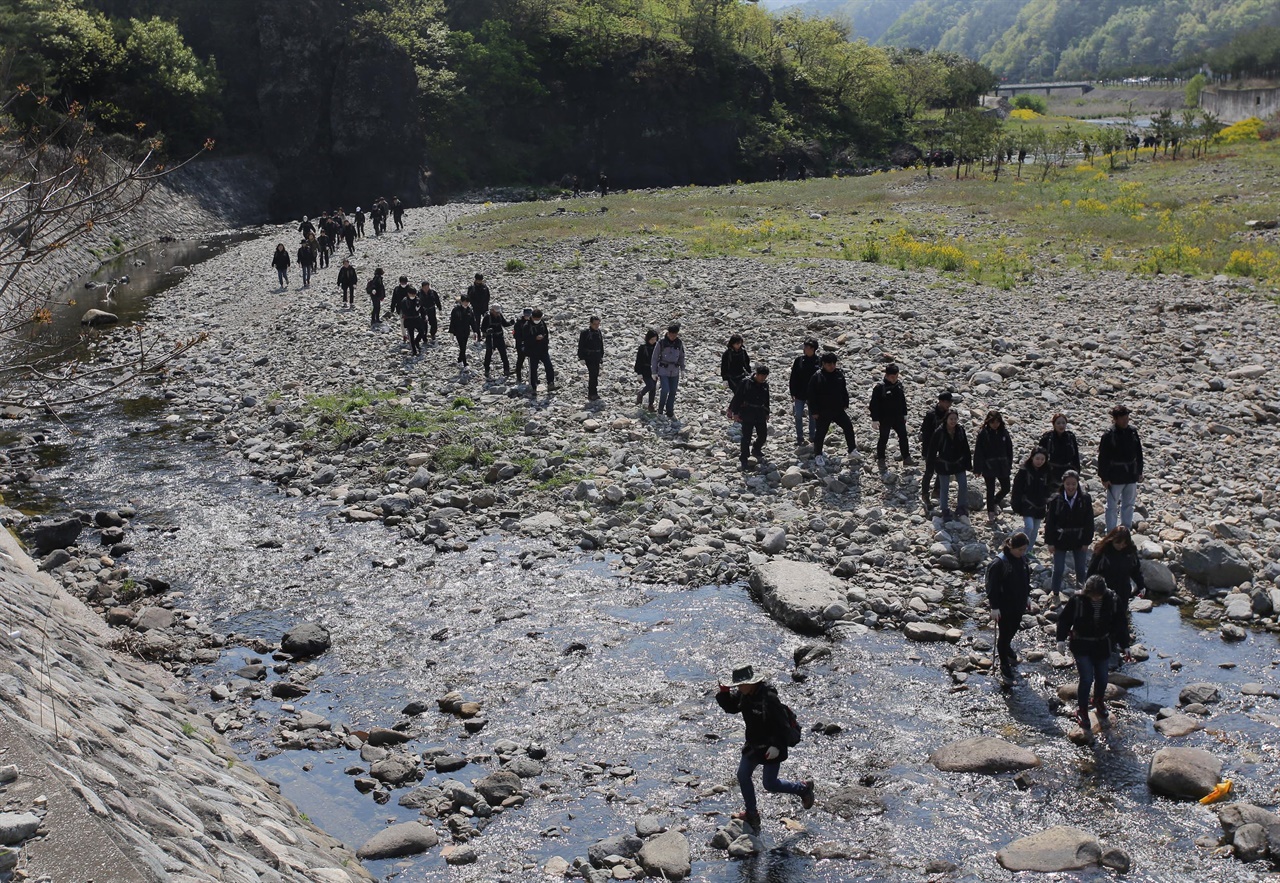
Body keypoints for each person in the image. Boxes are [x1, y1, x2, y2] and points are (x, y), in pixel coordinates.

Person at [715, 663, 814, 834]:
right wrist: (724, 693)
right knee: (742, 775)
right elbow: (732, 708)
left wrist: (777, 746)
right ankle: (752, 813)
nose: (738, 687)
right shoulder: (745, 694)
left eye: (740, 684)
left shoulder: (769, 698)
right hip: (753, 744)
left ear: (752, 682)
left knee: (770, 784)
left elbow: (782, 725)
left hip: (771, 746)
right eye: (736, 685)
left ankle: (803, 788)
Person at [1056, 575, 1128, 735]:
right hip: (1081, 644)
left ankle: (1098, 701)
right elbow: (1065, 620)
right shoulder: (1078, 599)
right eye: (1092, 594)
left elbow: (1121, 623)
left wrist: (1125, 645)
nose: (1094, 597)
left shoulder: (1113, 599)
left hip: (1102, 644)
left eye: (1098, 595)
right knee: (1087, 678)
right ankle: (1082, 710)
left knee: (1102, 677)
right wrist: (1060, 639)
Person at [1087, 526, 1146, 655]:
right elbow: (1091, 572)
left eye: (1124, 543)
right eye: (1118, 543)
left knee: (1120, 617)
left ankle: (1114, 643)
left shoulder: (1130, 552)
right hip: (1105, 591)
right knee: (1103, 616)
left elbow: (1136, 571)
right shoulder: (1102, 551)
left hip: (1123, 590)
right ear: (1111, 540)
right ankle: (1101, 642)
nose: (1120, 546)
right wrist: (1089, 590)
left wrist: (1141, 585)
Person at [986, 532, 1032, 681]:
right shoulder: (999, 563)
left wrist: (1028, 597)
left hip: (1018, 603)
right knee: (1004, 634)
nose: (1022, 553)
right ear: (1011, 546)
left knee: (1013, 629)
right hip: (1003, 606)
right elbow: (991, 586)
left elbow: (1026, 579)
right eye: (1020, 549)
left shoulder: (1023, 560)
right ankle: (1004, 663)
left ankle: (1007, 648)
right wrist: (994, 606)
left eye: (1024, 549)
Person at [1045, 470, 1094, 605]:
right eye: (1068, 484)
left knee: (1080, 568)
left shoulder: (1085, 498)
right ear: (1063, 483)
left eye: (1073, 484)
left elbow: (1089, 522)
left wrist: (1087, 541)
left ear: (1078, 483)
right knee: (1059, 568)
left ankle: (1082, 591)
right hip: (1060, 538)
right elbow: (1050, 522)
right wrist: (1049, 542)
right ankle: (1055, 593)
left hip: (1079, 538)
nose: (1071, 487)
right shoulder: (1056, 499)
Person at [1097, 405, 1143, 531]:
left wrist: (1139, 471)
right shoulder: (1109, 434)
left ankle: (1125, 530)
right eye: (1122, 418)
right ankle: (1111, 531)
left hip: (1131, 474)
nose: (1126, 420)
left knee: (1129, 504)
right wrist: (1104, 477)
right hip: (1115, 475)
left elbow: (1139, 453)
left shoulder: (1132, 432)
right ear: (1116, 419)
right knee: (1112, 506)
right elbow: (1103, 457)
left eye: (1127, 417)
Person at [807, 352, 857, 468]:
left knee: (848, 427)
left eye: (834, 363)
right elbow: (811, 396)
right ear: (823, 364)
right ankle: (818, 455)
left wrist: (845, 403)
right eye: (829, 364)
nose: (832, 366)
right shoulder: (817, 377)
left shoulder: (839, 374)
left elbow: (843, 390)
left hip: (838, 410)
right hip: (823, 411)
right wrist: (814, 411)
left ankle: (852, 450)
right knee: (820, 433)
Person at [974, 410, 1014, 524]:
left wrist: (1009, 463)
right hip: (989, 465)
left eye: (997, 422)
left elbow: (1009, 449)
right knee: (990, 489)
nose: (995, 424)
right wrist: (977, 469)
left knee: (1006, 488)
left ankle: (996, 501)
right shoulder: (983, 433)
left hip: (1002, 465)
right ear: (988, 422)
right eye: (992, 422)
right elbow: (979, 452)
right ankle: (990, 511)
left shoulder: (1004, 433)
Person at [930, 410, 971, 521]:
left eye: (955, 419)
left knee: (963, 485)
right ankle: (944, 510)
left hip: (958, 462)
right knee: (944, 488)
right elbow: (933, 449)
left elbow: (965, 447)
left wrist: (968, 463)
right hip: (944, 464)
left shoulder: (960, 430)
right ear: (946, 419)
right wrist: (931, 464)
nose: (953, 421)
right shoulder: (939, 432)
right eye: (951, 419)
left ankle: (961, 507)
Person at [869, 363, 912, 469]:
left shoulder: (898, 385)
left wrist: (905, 414)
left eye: (896, 376)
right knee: (883, 438)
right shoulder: (879, 388)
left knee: (903, 436)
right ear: (886, 375)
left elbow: (902, 401)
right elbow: (873, 404)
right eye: (892, 377)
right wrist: (875, 419)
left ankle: (906, 457)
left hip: (898, 417)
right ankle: (881, 459)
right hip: (885, 418)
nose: (894, 379)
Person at [1011, 448, 1052, 553]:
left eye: (1042, 459)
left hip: (1040, 505)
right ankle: (1020, 547)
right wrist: (1016, 503)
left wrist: (1049, 502)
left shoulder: (1047, 472)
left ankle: (1028, 551)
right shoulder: (1024, 471)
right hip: (1027, 503)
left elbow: (1049, 489)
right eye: (1037, 458)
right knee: (1029, 526)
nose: (1040, 461)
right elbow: (1017, 488)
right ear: (1032, 457)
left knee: (1035, 530)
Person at [731, 364, 771, 471]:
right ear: (756, 374)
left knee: (763, 435)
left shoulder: (765, 385)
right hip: (748, 411)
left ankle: (756, 449)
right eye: (761, 376)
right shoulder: (746, 383)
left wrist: (767, 412)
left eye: (764, 376)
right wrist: (735, 412)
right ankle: (744, 458)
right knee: (746, 437)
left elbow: (767, 399)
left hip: (760, 412)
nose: (762, 378)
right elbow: (738, 397)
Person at [919, 392, 953, 514]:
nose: (949, 404)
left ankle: (937, 490)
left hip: (944, 448)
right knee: (929, 472)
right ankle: (925, 494)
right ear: (941, 401)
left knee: (942, 470)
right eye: (947, 402)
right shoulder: (931, 415)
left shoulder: (949, 414)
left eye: (950, 402)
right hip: (931, 448)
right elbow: (925, 433)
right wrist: (927, 450)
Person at [788, 339, 821, 447]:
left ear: (813, 349)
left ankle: (812, 436)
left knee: (813, 416)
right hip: (799, 393)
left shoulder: (819, 361)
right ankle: (800, 437)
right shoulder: (799, 360)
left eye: (806, 347)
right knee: (798, 415)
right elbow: (793, 376)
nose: (804, 349)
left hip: (814, 394)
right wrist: (792, 391)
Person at [1039, 414, 1081, 490]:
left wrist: (1077, 471)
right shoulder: (1047, 438)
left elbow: (1076, 456)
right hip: (1051, 472)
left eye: (1063, 423)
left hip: (1068, 471)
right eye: (1058, 423)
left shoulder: (1070, 437)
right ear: (1054, 424)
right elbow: (1040, 456)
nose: (1061, 425)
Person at [651, 323, 685, 419]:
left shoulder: (679, 343)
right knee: (665, 389)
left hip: (674, 370)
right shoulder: (661, 343)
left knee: (673, 391)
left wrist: (682, 369)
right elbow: (654, 358)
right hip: (663, 370)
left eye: (675, 335)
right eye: (672, 334)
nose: (673, 337)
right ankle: (660, 409)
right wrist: (654, 371)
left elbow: (682, 356)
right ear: (668, 333)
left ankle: (670, 411)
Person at [526, 308, 555, 394]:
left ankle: (550, 383)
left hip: (543, 350)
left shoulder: (542, 323)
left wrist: (544, 339)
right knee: (533, 369)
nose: (537, 320)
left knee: (549, 366)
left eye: (539, 319)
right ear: (532, 317)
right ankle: (533, 387)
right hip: (533, 351)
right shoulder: (527, 326)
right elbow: (525, 339)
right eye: (536, 319)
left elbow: (546, 334)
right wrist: (535, 338)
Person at [577, 316, 605, 401]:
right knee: (593, 374)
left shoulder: (598, 332)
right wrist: (581, 357)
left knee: (596, 374)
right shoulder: (585, 333)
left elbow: (601, 344)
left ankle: (594, 392)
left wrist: (601, 355)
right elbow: (581, 345)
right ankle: (591, 393)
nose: (596, 326)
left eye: (598, 324)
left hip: (597, 356)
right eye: (594, 324)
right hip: (589, 356)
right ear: (590, 323)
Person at [481, 305, 513, 377]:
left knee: (503, 354)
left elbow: (504, 324)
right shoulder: (487, 317)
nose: (498, 313)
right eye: (496, 312)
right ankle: (486, 370)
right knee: (488, 354)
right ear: (492, 310)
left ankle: (506, 370)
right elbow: (482, 328)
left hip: (499, 337)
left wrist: (510, 323)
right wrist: (487, 331)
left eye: (498, 312)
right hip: (491, 338)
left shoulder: (499, 316)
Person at [397, 285, 427, 356]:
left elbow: (422, 308)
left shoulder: (417, 299)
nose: (413, 295)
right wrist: (413, 309)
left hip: (417, 319)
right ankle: (414, 351)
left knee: (422, 332)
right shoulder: (405, 301)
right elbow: (404, 311)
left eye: (414, 294)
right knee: (411, 336)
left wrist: (424, 316)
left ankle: (417, 342)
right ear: (408, 293)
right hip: (409, 319)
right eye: (412, 294)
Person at [634, 329, 657, 412]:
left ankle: (651, 404)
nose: (653, 341)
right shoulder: (643, 347)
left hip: (654, 370)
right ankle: (641, 393)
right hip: (645, 370)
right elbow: (639, 360)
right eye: (652, 339)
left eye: (655, 339)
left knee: (653, 388)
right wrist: (639, 372)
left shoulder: (657, 347)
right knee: (650, 385)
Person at [449, 296, 475, 367]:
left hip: (466, 331)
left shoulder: (469, 310)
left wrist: (475, 331)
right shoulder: (456, 310)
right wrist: (451, 332)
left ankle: (459, 360)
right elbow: (452, 321)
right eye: (465, 302)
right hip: (458, 331)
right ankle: (464, 363)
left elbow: (472, 321)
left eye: (468, 302)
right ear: (461, 301)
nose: (466, 303)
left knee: (464, 347)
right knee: (462, 347)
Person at [389, 276, 415, 343]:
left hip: (410, 309)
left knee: (410, 322)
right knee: (402, 322)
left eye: (405, 282)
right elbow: (394, 299)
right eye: (402, 282)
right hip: (400, 309)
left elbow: (415, 298)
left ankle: (410, 334)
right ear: (400, 282)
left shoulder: (410, 288)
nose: (403, 284)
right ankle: (404, 335)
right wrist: (392, 308)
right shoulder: (397, 289)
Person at [467, 273, 491, 338]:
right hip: (476, 308)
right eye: (478, 280)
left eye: (480, 280)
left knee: (487, 320)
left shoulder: (485, 287)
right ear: (475, 279)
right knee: (477, 322)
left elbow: (488, 297)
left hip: (484, 307)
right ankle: (478, 336)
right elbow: (469, 297)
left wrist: (486, 304)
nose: (479, 281)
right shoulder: (471, 288)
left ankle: (485, 333)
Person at [514, 308, 533, 383]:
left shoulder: (532, 322)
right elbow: (516, 335)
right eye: (526, 315)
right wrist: (521, 343)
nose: (528, 317)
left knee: (532, 361)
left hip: (530, 345)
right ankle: (518, 376)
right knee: (520, 360)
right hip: (520, 345)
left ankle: (533, 377)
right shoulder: (519, 323)